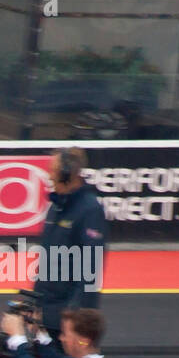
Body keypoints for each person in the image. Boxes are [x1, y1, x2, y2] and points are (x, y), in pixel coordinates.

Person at [33, 146, 109, 344]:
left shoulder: (89, 210)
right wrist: (34, 304)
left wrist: (74, 316)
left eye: (53, 171)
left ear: (68, 174)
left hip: (70, 324)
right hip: (48, 315)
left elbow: (91, 268)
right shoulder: (56, 207)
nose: (49, 176)